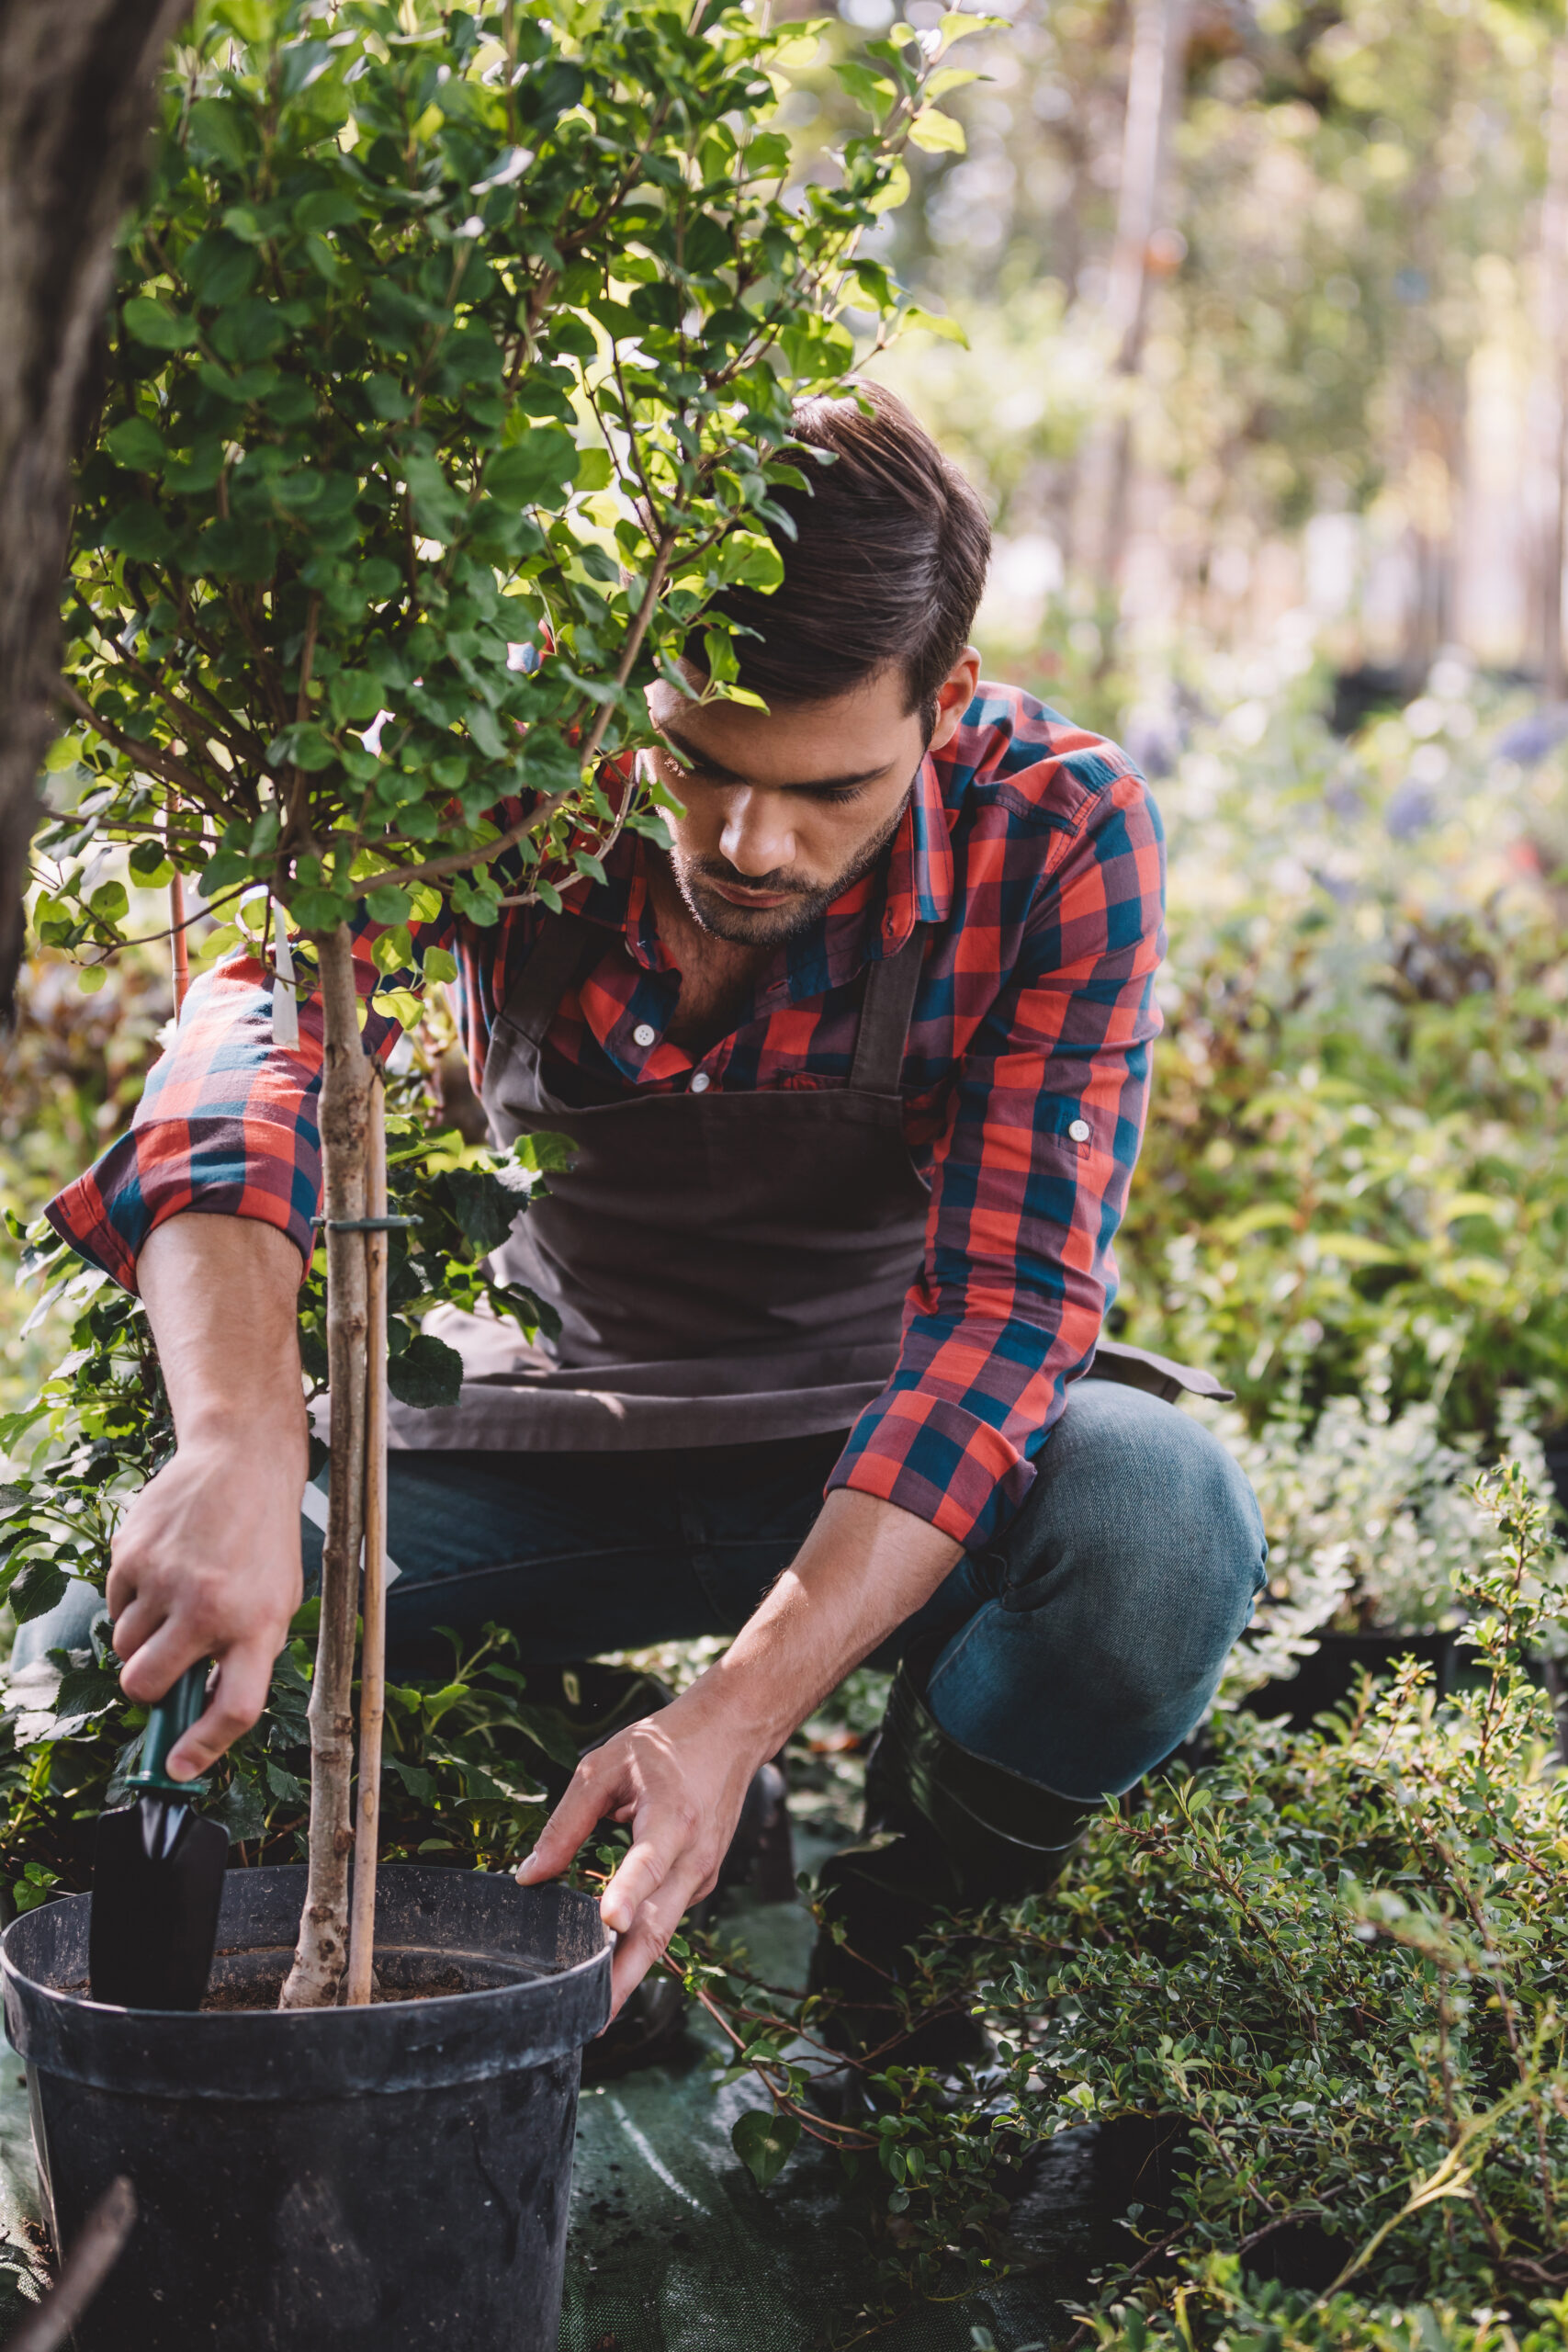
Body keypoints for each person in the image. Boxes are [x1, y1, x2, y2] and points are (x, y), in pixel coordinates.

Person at [40, 384, 1265, 2056]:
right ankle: (558, 1771)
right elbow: (253, 1048)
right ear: (642, 679)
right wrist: (241, 1443)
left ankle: (890, 1987)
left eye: (827, 790)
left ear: (945, 699)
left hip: (872, 1447)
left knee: (1161, 1527)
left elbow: (1002, 1323)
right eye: (694, 766)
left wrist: (742, 1715)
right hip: (534, 1432)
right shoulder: (508, 752)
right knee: (111, 1645)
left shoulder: (1054, 832)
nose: (749, 842)